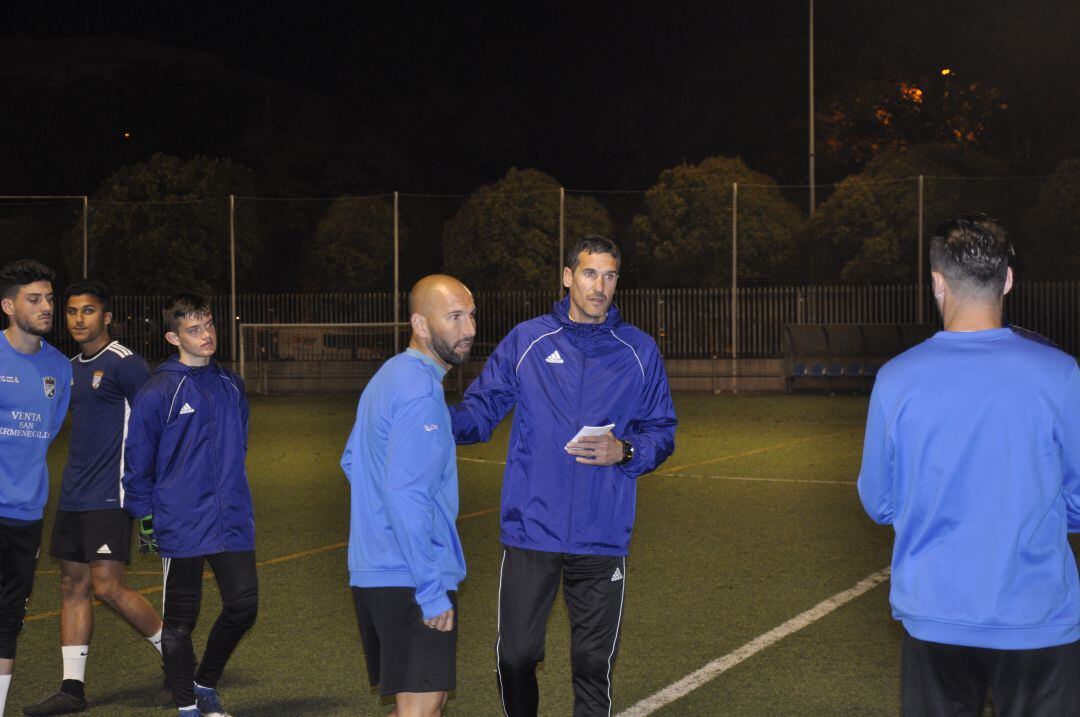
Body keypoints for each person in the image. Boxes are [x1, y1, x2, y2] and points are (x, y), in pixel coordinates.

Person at [857, 214, 1080, 716]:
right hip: (1036, 614)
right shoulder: (1061, 374)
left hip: (935, 614)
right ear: (1007, 280)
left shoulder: (896, 379)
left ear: (937, 283)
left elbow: (879, 501)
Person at [451, 236, 677, 717]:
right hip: (533, 528)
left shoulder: (638, 351)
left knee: (593, 663)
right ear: (568, 276)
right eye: (591, 274)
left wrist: (628, 449)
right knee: (515, 656)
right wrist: (431, 419)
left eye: (610, 275)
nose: (601, 287)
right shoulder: (528, 340)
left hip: (602, 533)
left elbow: (662, 429)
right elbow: (481, 408)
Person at [24, 281, 165, 716]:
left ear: (106, 317)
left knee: (108, 587)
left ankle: (181, 663)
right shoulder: (68, 368)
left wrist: (149, 489)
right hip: (74, 495)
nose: (78, 319)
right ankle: (72, 689)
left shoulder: (126, 364)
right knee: (73, 585)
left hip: (111, 494)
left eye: (88, 311)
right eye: (70, 311)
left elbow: (154, 423)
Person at [341, 275, 475, 717]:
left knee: (425, 708)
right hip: (410, 576)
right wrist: (431, 590)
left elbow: (351, 460)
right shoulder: (419, 390)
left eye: (471, 315)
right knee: (421, 710)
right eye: (454, 317)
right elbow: (406, 495)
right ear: (420, 324)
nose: (469, 328)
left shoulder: (390, 375)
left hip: (377, 570)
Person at [123, 293, 257, 717]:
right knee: (180, 621)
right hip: (181, 522)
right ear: (173, 336)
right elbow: (137, 459)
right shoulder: (158, 389)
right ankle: (187, 708)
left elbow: (242, 443)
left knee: (243, 605)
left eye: (209, 325)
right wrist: (146, 519)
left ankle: (203, 683)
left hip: (231, 519)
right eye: (194, 329)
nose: (206, 335)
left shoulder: (231, 384)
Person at [0, 260, 72, 717]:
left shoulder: (59, 368)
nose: (46, 307)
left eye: (48, 298)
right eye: (34, 299)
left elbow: (49, 432)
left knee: (8, 618)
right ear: (8, 305)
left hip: (25, 511)